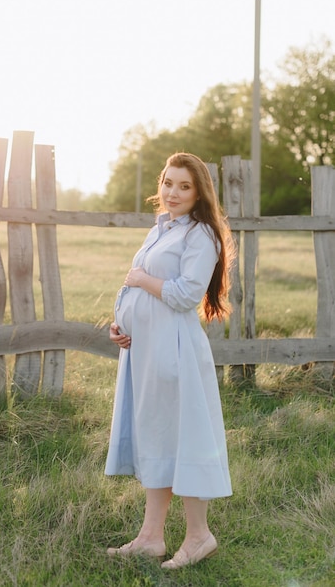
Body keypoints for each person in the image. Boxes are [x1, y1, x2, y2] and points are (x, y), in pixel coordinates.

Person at [104, 152, 234, 570]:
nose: (172, 192)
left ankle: (199, 536)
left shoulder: (201, 235)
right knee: (156, 435)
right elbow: (138, 289)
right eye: (168, 182)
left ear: (199, 193)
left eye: (184, 186)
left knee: (182, 436)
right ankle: (150, 537)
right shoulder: (162, 228)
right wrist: (121, 323)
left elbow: (183, 295)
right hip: (144, 349)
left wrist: (140, 281)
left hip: (173, 350)